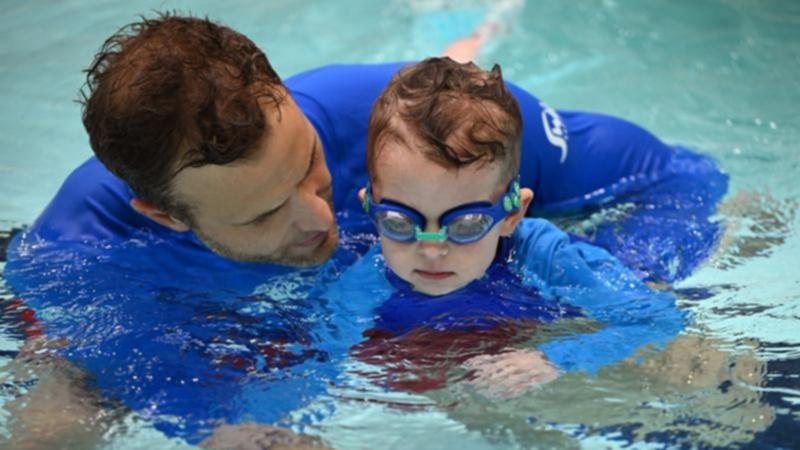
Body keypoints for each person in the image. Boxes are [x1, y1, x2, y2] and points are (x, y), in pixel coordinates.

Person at [2, 11, 724, 449]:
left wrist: (611, 283)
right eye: (261, 212)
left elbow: (678, 180)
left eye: (311, 165)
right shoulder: (81, 258)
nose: (318, 221)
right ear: (164, 215)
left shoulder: (403, 124)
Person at [329, 57, 684, 395]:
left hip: (639, 226)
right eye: (400, 222)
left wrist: (553, 358)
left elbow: (655, 319)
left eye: (466, 224)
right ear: (371, 210)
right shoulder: (365, 280)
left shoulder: (544, 257)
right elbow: (327, 349)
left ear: (513, 215)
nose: (432, 249)